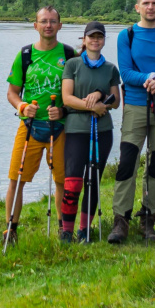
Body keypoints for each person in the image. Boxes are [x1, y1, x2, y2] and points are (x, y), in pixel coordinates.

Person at [109, 0, 155, 244]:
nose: (150, 7)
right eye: (146, 3)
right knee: (127, 162)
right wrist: (151, 77)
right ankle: (121, 220)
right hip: (135, 108)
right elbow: (125, 74)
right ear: (137, 7)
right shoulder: (126, 35)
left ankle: (148, 219)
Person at [3, 7, 73, 245]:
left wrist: (63, 110)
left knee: (62, 181)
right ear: (35, 25)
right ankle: (10, 230)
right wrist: (22, 106)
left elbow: (77, 93)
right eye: (43, 21)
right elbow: (12, 93)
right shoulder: (24, 55)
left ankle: (64, 230)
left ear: (60, 25)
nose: (48, 25)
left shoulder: (69, 54)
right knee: (16, 178)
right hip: (29, 127)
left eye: (53, 21)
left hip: (61, 126)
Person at [62, 21, 121, 242]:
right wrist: (92, 105)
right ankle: (66, 230)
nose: (95, 40)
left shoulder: (111, 69)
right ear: (84, 39)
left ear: (104, 40)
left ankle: (84, 230)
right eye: (91, 37)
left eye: (100, 37)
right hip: (77, 128)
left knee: (93, 180)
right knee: (74, 180)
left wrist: (100, 95)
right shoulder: (73, 65)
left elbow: (115, 101)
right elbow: (67, 99)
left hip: (102, 131)